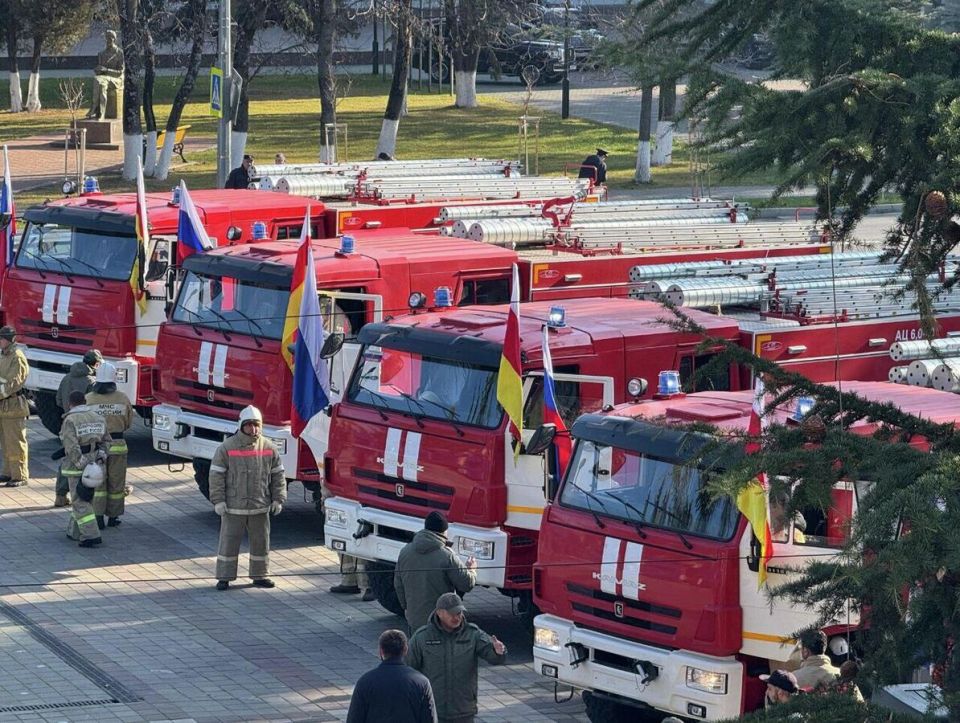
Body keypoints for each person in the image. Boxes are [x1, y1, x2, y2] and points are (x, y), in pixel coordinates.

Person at [209, 405, 285, 590]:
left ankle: (260, 575)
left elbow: (278, 475)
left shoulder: (269, 447)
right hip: (234, 506)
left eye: (256, 425)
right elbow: (216, 476)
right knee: (228, 542)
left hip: (260, 505)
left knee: (261, 542)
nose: (253, 429)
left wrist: (278, 499)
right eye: (249, 425)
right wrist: (218, 501)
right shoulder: (226, 448)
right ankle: (224, 577)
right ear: (241, 425)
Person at [406, 593, 506, 723]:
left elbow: (495, 658)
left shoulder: (472, 634)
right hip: (433, 711)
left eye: (459, 613)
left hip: (463, 710)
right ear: (440, 613)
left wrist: (498, 652)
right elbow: (407, 669)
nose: (457, 617)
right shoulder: (422, 637)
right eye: (452, 613)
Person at [395, 511, 477, 632]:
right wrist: (472, 569)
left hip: (415, 620)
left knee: (417, 650)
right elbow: (466, 584)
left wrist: (406, 608)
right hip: (441, 622)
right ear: (444, 531)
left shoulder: (405, 551)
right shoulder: (446, 555)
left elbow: (398, 585)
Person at [346, 629, 437, 723]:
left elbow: (354, 719)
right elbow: (429, 719)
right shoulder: (422, 682)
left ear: (381, 651)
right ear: (405, 649)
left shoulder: (365, 682)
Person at [61, 390, 112, 547]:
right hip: (96, 464)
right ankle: (75, 531)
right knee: (85, 498)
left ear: (71, 403)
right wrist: (100, 456)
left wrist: (81, 463)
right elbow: (107, 440)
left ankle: (91, 535)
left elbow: (71, 445)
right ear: (85, 401)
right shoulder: (97, 417)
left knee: (79, 500)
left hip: (78, 466)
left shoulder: (70, 420)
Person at [86, 362, 134, 529]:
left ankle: (98, 517)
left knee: (98, 483)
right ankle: (113, 517)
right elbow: (128, 422)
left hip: (96, 447)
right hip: (118, 446)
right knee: (117, 483)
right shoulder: (122, 398)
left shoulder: (89, 399)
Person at [53, 349, 101, 507]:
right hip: (84, 424)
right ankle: (83, 493)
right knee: (86, 458)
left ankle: (60, 496)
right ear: (95, 363)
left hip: (67, 422)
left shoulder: (67, 377)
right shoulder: (90, 381)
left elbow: (58, 400)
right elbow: (93, 404)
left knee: (66, 459)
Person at [0, 325, 29, 488]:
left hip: (13, 406)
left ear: (10, 340)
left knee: (16, 443)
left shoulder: (17, 357)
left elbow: (12, 383)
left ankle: (20, 475)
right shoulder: (3, 356)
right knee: (5, 442)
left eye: (2, 338)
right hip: (3, 406)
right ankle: (8, 472)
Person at [86, 30, 124, 120]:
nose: (108, 40)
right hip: (103, 78)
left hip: (116, 79)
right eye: (107, 38)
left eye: (110, 38)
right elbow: (100, 71)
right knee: (98, 80)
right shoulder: (101, 54)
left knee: (100, 81)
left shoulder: (119, 53)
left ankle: (95, 109)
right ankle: (100, 112)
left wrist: (106, 70)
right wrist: (98, 70)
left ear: (114, 39)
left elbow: (120, 72)